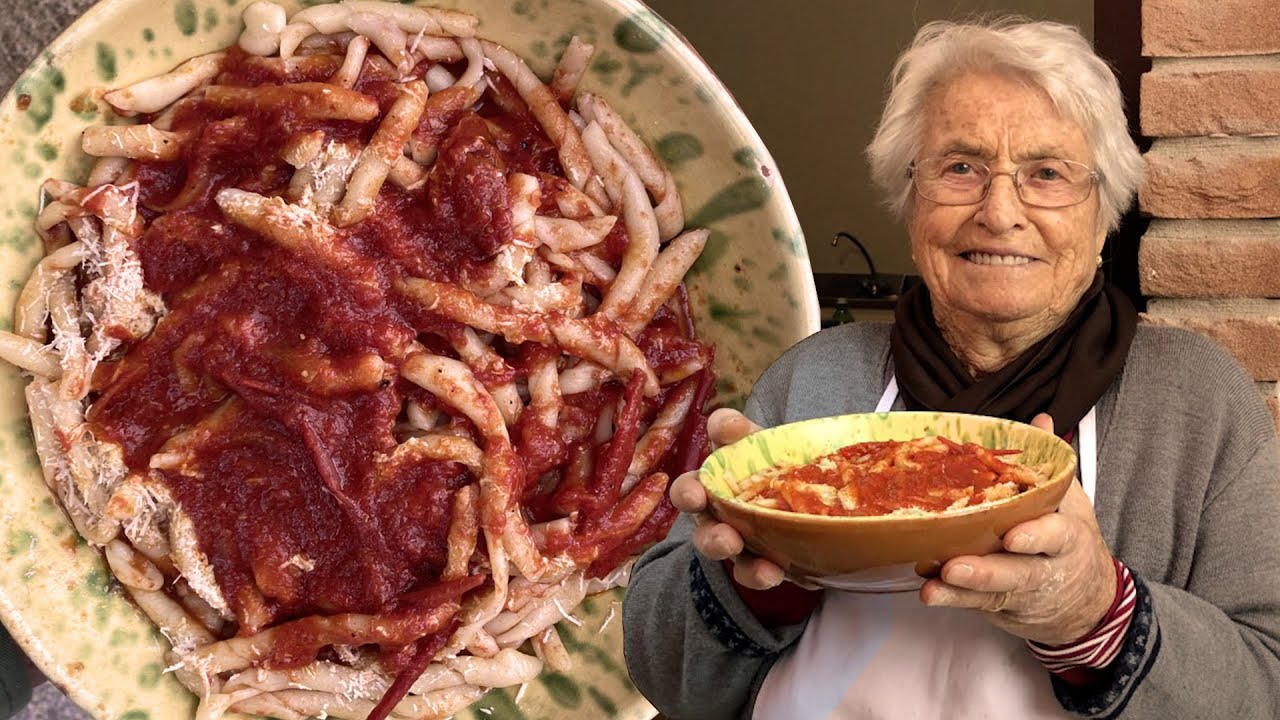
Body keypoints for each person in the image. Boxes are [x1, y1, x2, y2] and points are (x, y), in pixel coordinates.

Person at [623, 18, 1280, 719]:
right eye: (961, 168)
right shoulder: (815, 381)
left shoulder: (1194, 401)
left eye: (1047, 174)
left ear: (1102, 216)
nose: (1000, 213)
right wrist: (757, 583)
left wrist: (1095, 615)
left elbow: (1265, 685)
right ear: (911, 202)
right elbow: (660, 669)